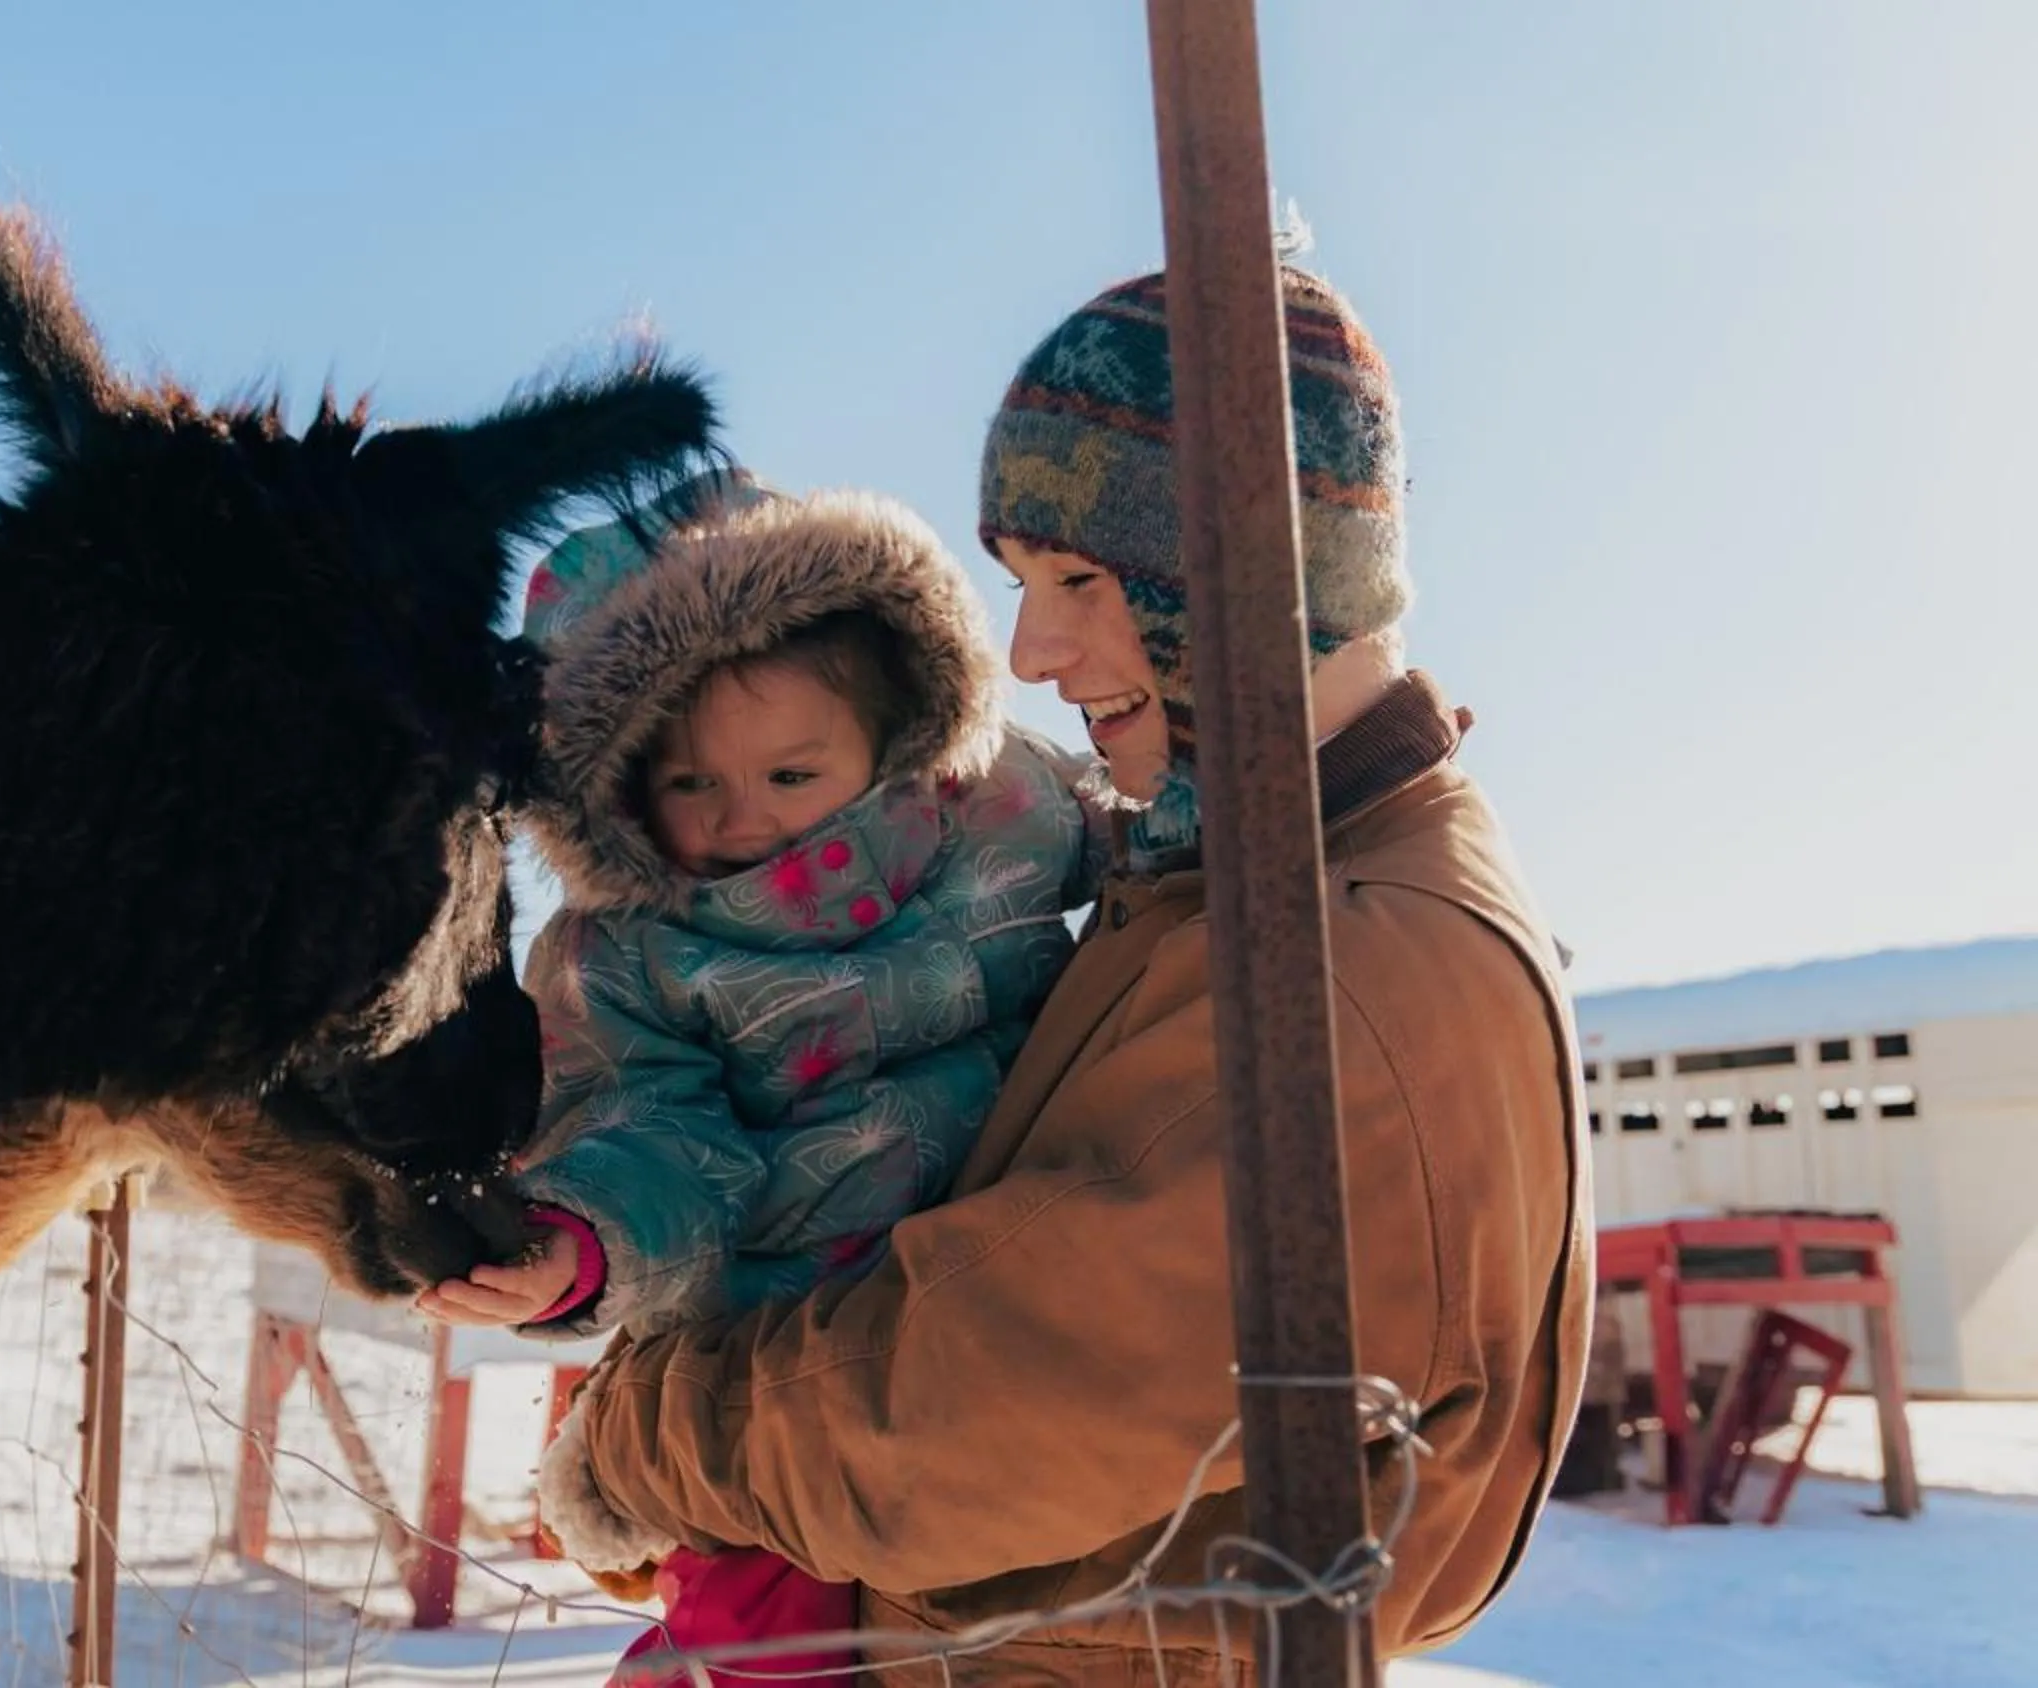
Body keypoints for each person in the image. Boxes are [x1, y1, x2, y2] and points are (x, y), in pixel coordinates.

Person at [535, 269, 1592, 1686]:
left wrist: (635, 1438)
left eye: (1079, 584)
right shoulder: (1220, 888)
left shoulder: (1354, 972)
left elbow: (947, 1426)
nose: (1030, 655)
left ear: (1253, 574)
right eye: (1025, 589)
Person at [416, 473, 1099, 1685]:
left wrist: (1314, 791)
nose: (747, 823)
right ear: (615, 795)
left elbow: (1156, 831)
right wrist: (579, 1241)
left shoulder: (1002, 802)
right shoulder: (630, 952)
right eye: (691, 785)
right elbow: (648, 1123)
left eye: (792, 774)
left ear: (890, 733)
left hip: (1005, 1253)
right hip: (789, 1317)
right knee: (754, 1616)